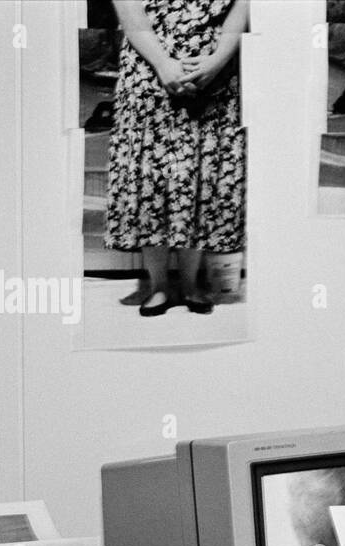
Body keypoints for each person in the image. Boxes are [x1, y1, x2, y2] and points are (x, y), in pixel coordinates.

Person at [105, 0, 248, 316]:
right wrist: (163, 64)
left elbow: (242, 7)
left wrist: (218, 60)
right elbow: (130, 13)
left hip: (213, 76)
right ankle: (157, 286)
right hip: (148, 75)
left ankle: (190, 283)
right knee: (150, 180)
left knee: (199, 175)